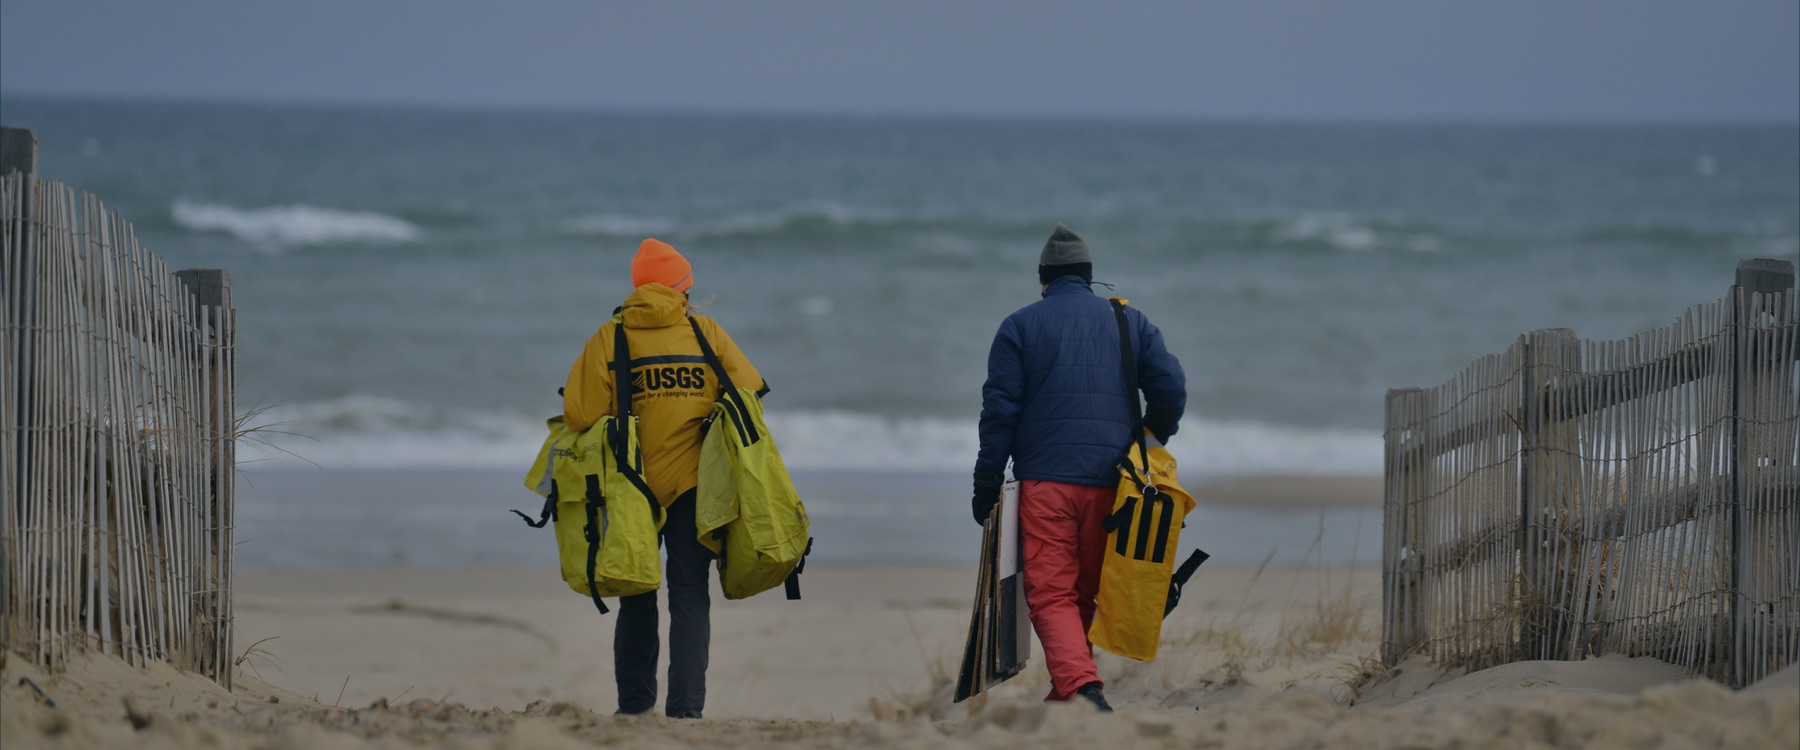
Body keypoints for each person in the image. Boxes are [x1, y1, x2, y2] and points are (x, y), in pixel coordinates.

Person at [972, 224, 1186, 712]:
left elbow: (999, 412)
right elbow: (1170, 386)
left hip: (1046, 483)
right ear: (1089, 278)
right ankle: (1067, 693)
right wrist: (1152, 438)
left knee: (1051, 593)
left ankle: (1085, 692)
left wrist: (986, 481)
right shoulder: (1129, 322)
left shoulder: (1019, 325)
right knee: (1084, 592)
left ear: (1044, 278)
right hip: (1115, 484)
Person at [562, 238, 767, 719]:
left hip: (630, 486)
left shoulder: (609, 339)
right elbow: (751, 391)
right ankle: (685, 712)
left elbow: (577, 414)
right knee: (690, 594)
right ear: (684, 288)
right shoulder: (705, 334)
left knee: (636, 593)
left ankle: (634, 709)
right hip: (693, 486)